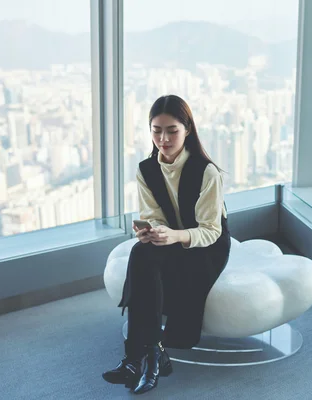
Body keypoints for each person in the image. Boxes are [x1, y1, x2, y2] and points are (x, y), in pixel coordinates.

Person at [102, 95, 231, 395]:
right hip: (173, 237)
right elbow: (154, 216)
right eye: (156, 130)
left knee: (145, 261)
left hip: (207, 246)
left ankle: (138, 356)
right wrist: (153, 232)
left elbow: (211, 230)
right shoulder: (146, 170)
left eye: (172, 130)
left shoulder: (205, 171)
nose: (163, 138)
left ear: (187, 129)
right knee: (142, 250)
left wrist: (175, 236)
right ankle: (150, 354)